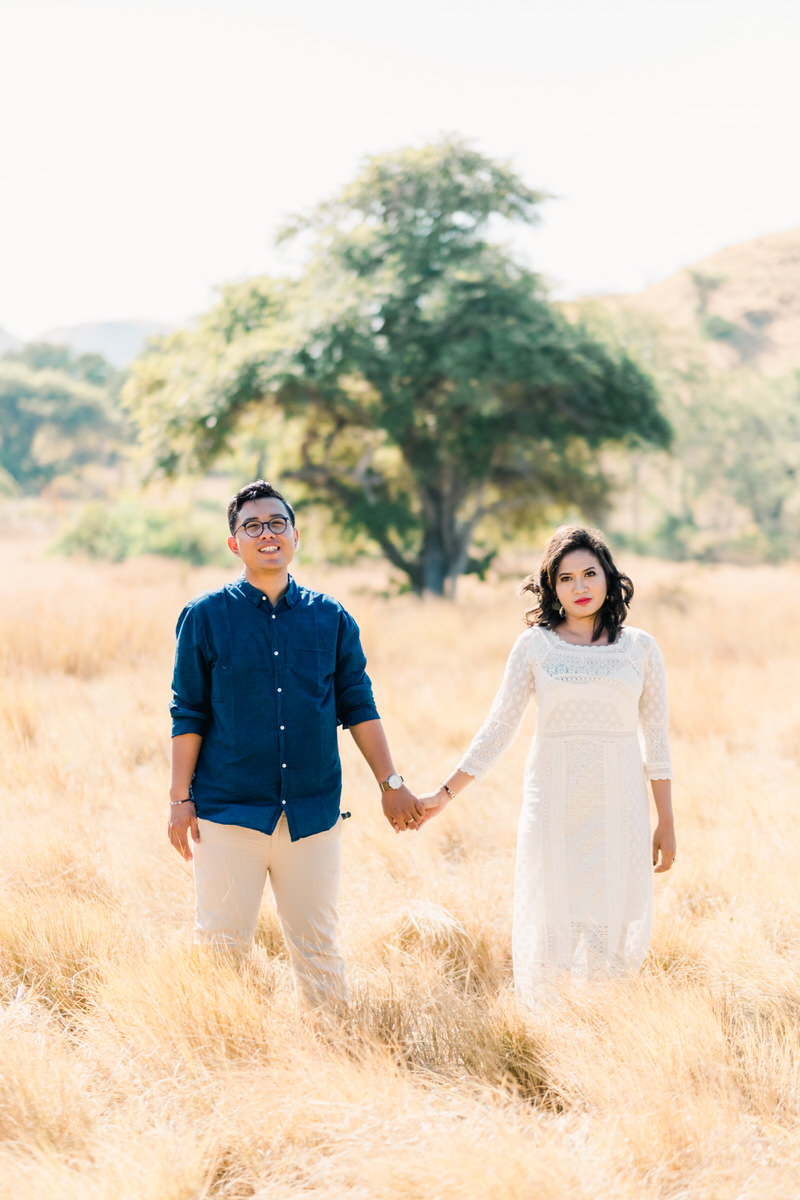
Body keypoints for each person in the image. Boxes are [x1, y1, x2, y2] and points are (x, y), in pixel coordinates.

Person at [168, 479, 425, 1010]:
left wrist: (391, 783)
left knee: (319, 950)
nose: (267, 534)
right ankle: (218, 1062)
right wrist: (178, 799)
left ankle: (334, 1063)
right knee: (220, 952)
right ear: (233, 542)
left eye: (277, 523)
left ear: (296, 535)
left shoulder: (329, 618)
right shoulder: (205, 617)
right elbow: (187, 711)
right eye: (252, 526)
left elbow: (358, 704)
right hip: (227, 813)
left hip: (311, 815)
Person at [419, 525, 676, 1004]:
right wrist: (443, 794)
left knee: (610, 926)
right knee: (555, 923)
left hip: (620, 812)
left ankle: (602, 1025)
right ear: (551, 587)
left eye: (589, 574)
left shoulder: (641, 648)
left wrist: (666, 822)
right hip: (555, 810)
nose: (579, 587)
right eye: (566, 578)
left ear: (609, 577)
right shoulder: (535, 647)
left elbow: (656, 740)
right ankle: (550, 1030)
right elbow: (498, 730)